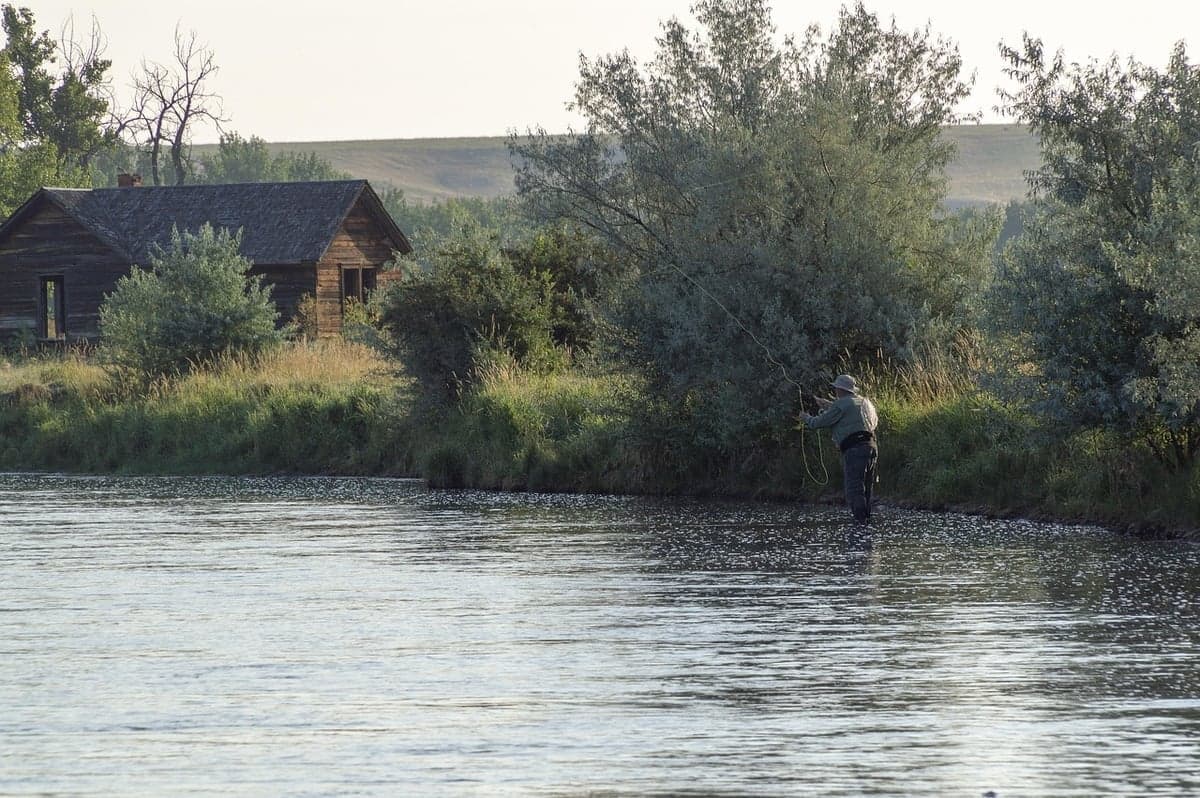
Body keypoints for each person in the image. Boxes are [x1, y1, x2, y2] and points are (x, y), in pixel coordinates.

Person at [797, 374, 879, 522]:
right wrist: (828, 404)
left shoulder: (840, 405)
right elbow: (847, 410)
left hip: (854, 450)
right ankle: (867, 524)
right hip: (871, 447)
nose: (835, 390)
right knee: (867, 487)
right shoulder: (862, 401)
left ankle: (860, 525)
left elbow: (818, 423)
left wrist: (805, 418)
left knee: (854, 489)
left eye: (835, 388)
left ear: (840, 389)